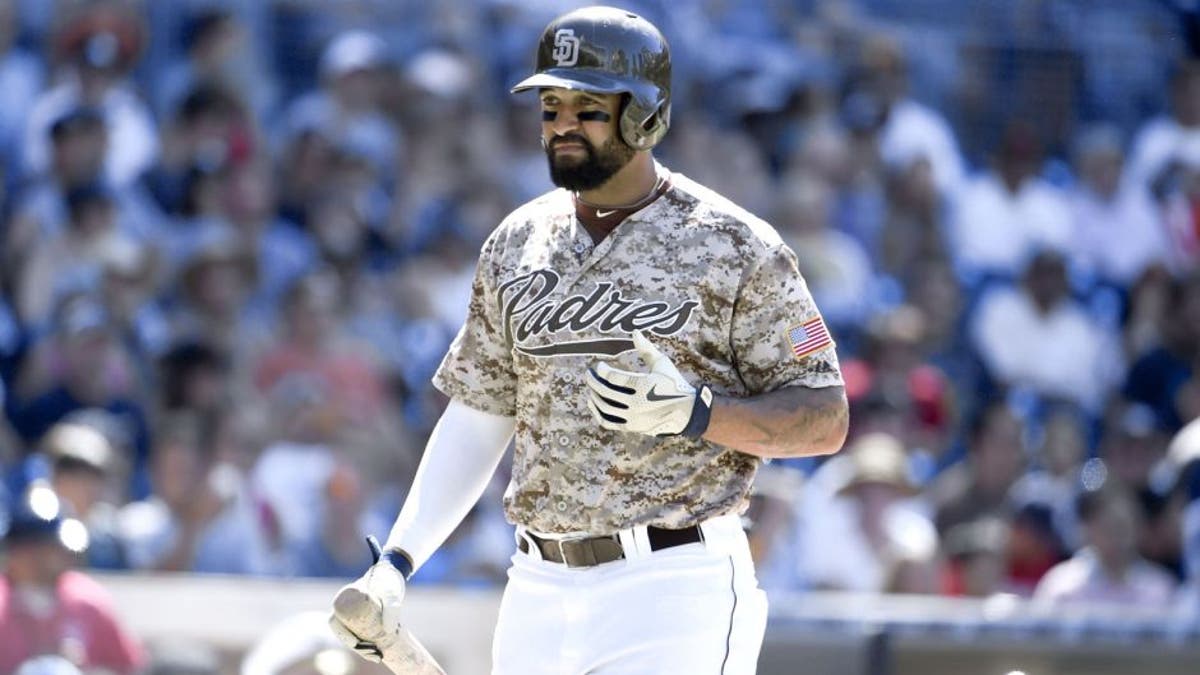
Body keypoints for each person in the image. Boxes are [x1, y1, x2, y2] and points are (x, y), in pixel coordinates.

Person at [329, 7, 848, 674]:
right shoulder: (517, 242)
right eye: (550, 105)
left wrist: (700, 414)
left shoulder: (735, 244)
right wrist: (398, 562)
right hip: (537, 585)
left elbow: (825, 418)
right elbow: (481, 412)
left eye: (587, 107)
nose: (562, 125)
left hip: (673, 580)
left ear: (646, 115)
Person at [0, 481, 145, 674]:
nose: (61, 556)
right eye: (47, 549)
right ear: (19, 552)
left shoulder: (89, 601)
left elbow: (129, 667)